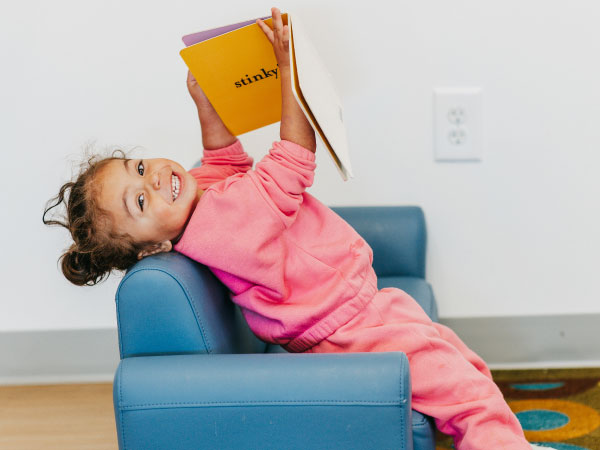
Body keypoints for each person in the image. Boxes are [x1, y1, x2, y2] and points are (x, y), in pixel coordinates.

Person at [44, 8, 550, 450]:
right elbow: (292, 160)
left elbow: (224, 159)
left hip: (360, 305)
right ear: (155, 244)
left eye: (136, 167)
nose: (153, 178)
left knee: (464, 368)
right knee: (464, 392)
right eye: (140, 199)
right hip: (347, 328)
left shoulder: (198, 200)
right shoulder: (220, 228)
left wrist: (206, 105)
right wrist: (290, 76)